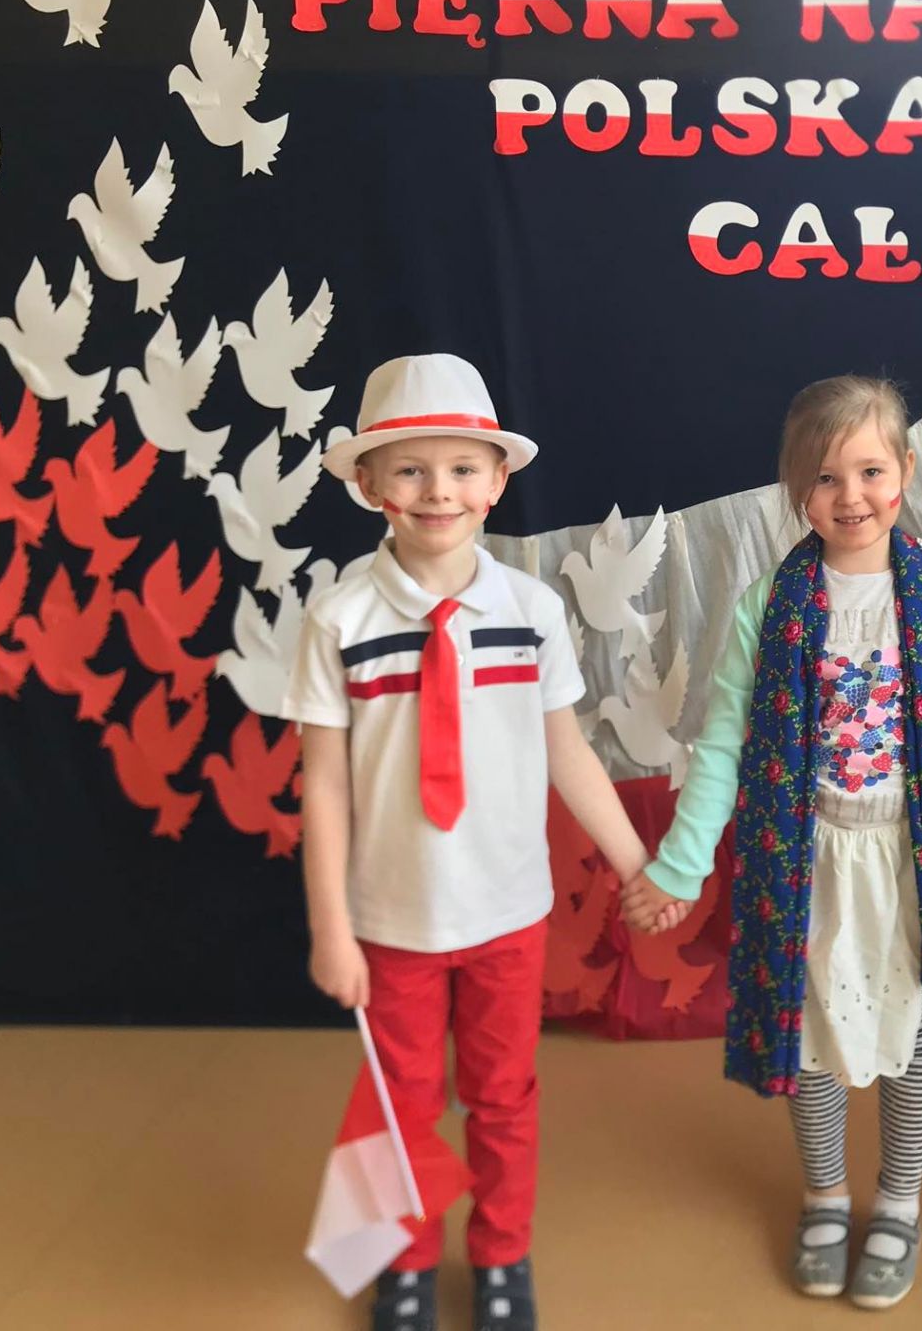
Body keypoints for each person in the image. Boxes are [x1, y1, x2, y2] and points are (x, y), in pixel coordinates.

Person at [285, 352, 680, 1331]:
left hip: (507, 910)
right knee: (400, 1098)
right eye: (410, 469)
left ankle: (503, 1250)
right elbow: (323, 782)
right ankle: (404, 1259)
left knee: (504, 1093)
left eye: (462, 467)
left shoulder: (530, 611)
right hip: (392, 919)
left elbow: (568, 753)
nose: (438, 490)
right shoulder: (339, 618)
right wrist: (331, 928)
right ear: (369, 483)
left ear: (497, 480)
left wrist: (639, 864)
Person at [622, 374, 922, 1310]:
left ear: (906, 469)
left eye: (871, 470)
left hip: (911, 860)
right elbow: (724, 742)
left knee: (914, 1037)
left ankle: (900, 1201)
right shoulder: (772, 602)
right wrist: (681, 863)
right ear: (796, 488)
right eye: (826, 476)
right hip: (807, 861)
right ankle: (826, 1195)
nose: (852, 496)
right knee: (808, 1034)